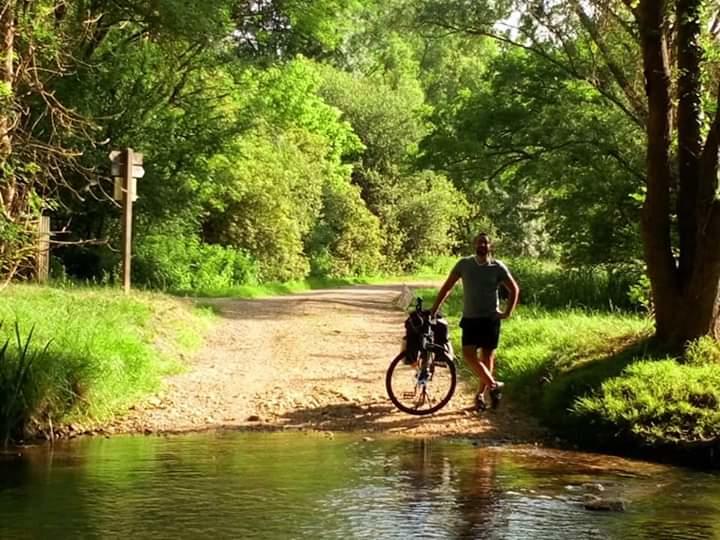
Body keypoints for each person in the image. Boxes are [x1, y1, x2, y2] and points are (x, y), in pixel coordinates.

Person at [430, 232, 519, 411]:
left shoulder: (497, 267)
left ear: (490, 246)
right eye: (480, 242)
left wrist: (507, 312)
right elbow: (448, 286)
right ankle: (494, 386)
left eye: (485, 243)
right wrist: (434, 309)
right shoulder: (464, 264)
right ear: (474, 245)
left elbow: (514, 289)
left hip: (490, 319)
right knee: (469, 355)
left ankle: (480, 395)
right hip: (470, 318)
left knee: (487, 358)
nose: (482, 245)